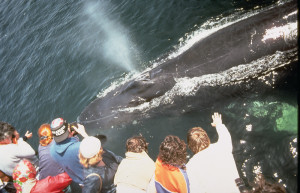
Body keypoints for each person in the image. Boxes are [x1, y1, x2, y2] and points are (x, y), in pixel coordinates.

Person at [186, 112, 241, 193]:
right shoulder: (222, 147)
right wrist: (218, 123)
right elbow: (225, 134)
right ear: (207, 138)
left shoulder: (190, 167)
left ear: (189, 146)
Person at [49, 118, 89, 186]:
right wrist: (84, 133)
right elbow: (98, 148)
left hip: (81, 183)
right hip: (93, 180)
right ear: (68, 130)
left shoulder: (52, 150)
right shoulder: (79, 147)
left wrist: (71, 137)